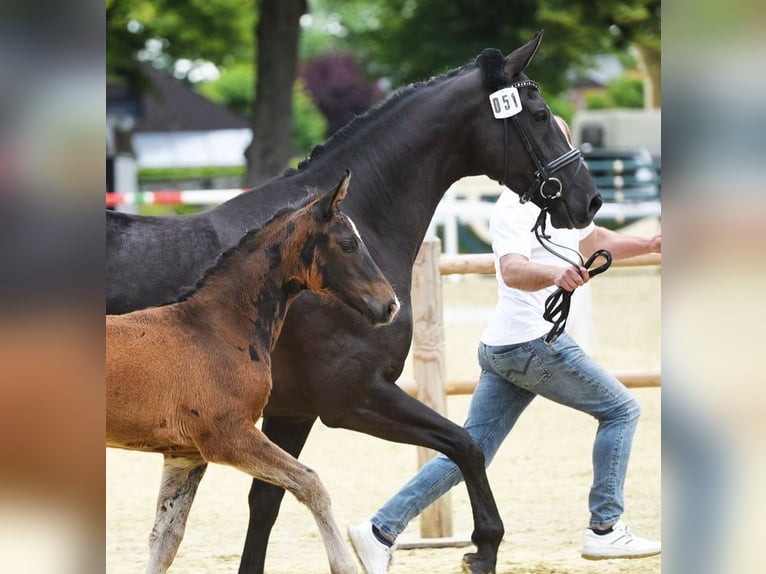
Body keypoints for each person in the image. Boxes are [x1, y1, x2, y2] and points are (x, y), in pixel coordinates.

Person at [348, 117, 661, 573]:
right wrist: (556, 274)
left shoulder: (557, 205)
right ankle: (605, 529)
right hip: (532, 343)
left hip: (506, 347)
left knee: (470, 450)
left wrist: (651, 243)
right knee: (621, 410)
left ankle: (379, 530)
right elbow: (512, 270)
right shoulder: (514, 207)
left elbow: (595, 239)